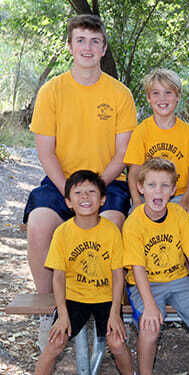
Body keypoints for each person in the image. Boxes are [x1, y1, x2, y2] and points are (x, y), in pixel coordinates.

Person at [23, 14, 136, 349]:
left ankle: (107, 311)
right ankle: (51, 313)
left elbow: (122, 154)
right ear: (70, 45)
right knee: (40, 225)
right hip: (60, 182)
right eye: (81, 40)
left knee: (112, 226)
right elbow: (46, 153)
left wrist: (93, 192)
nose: (88, 47)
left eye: (95, 41)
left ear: (103, 49)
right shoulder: (51, 91)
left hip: (108, 182)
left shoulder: (120, 94)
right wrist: (71, 193)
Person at [122, 158, 189, 375]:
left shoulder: (179, 216)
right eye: (152, 185)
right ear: (140, 188)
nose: (158, 192)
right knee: (150, 326)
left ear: (174, 189)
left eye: (165, 186)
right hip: (145, 284)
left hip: (179, 279)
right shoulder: (134, 223)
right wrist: (149, 305)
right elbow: (137, 268)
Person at [34, 170, 133, 375]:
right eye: (78, 193)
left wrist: (115, 312)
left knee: (117, 343)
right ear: (68, 202)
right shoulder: (62, 232)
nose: (85, 197)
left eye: (91, 191)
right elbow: (58, 277)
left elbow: (117, 275)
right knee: (55, 342)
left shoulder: (111, 231)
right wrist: (62, 314)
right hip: (74, 297)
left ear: (103, 199)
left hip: (106, 297)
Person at [124, 68, 189, 218]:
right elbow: (134, 172)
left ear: (177, 97)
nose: (162, 98)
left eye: (168, 92)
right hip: (148, 195)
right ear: (148, 97)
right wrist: (136, 201)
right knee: (136, 219)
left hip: (180, 194)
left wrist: (186, 201)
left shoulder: (188, 133)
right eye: (156, 93)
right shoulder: (141, 131)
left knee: (181, 218)